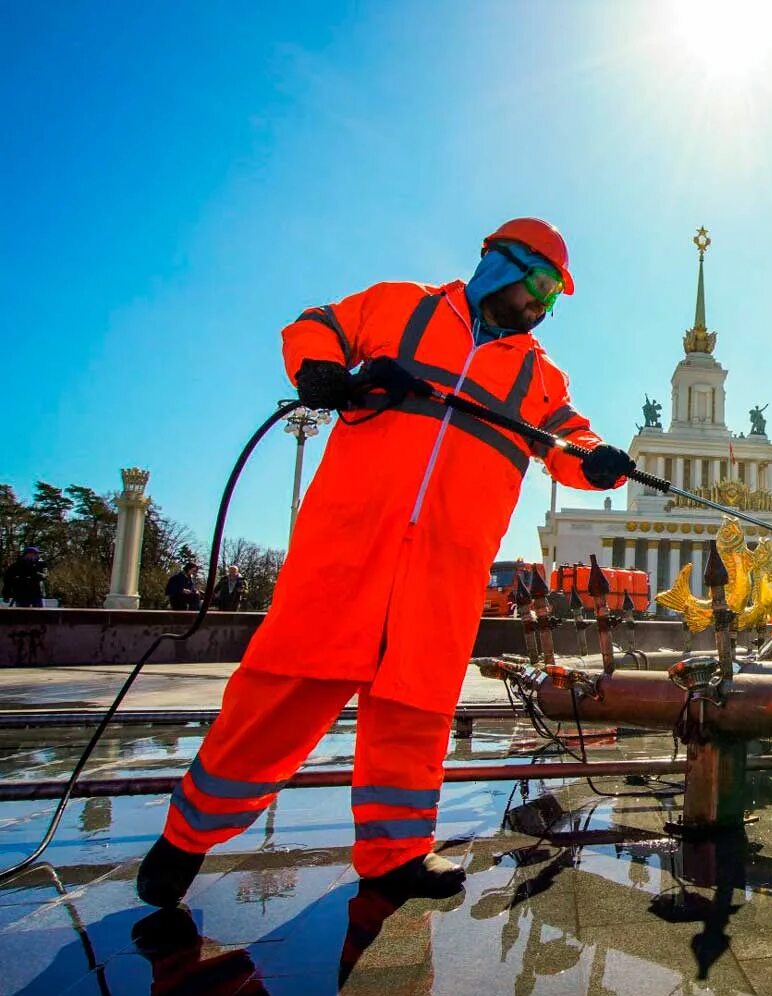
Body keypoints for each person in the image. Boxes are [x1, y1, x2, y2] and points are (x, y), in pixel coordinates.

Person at [137, 218, 636, 908]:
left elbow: (567, 441)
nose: (545, 303)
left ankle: (395, 853)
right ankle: (186, 836)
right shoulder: (401, 308)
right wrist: (321, 370)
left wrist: (600, 463)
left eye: (555, 293)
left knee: (415, 712)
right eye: (542, 283)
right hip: (348, 551)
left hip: (445, 570)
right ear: (502, 264)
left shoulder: (537, 374)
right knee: (278, 698)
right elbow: (318, 326)